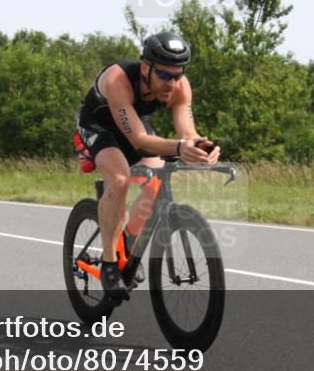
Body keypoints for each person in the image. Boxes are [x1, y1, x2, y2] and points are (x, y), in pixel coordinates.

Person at [75, 32, 220, 302]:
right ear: (145, 68)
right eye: (164, 75)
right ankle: (108, 262)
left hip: (134, 122)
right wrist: (179, 148)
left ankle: (130, 244)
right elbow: (140, 140)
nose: (171, 83)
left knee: (155, 182)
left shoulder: (180, 86)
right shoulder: (119, 81)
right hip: (99, 125)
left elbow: (187, 131)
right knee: (119, 179)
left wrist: (201, 147)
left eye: (178, 75)